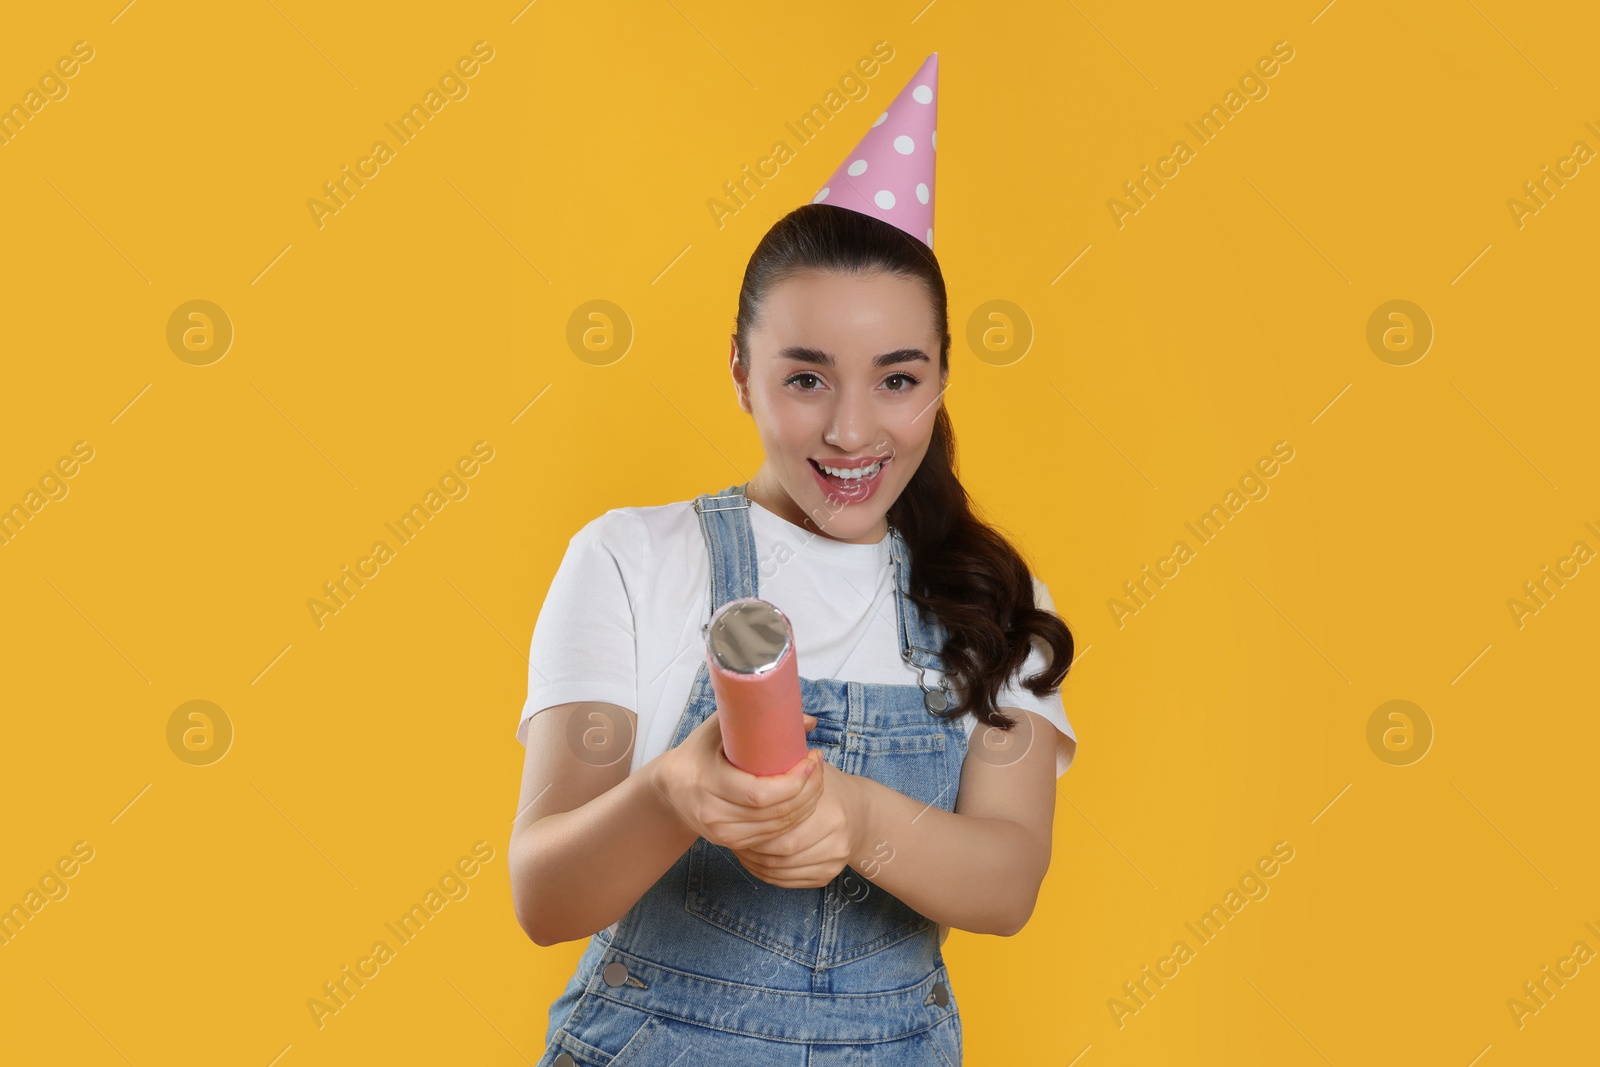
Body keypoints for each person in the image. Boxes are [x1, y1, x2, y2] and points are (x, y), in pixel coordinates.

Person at [510, 54, 1078, 1065]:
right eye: (806, 376)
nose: (853, 430)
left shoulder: (992, 598)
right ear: (739, 370)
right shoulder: (634, 559)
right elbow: (545, 894)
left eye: (896, 378)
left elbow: (1007, 884)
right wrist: (672, 795)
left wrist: (857, 817)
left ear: (942, 376)